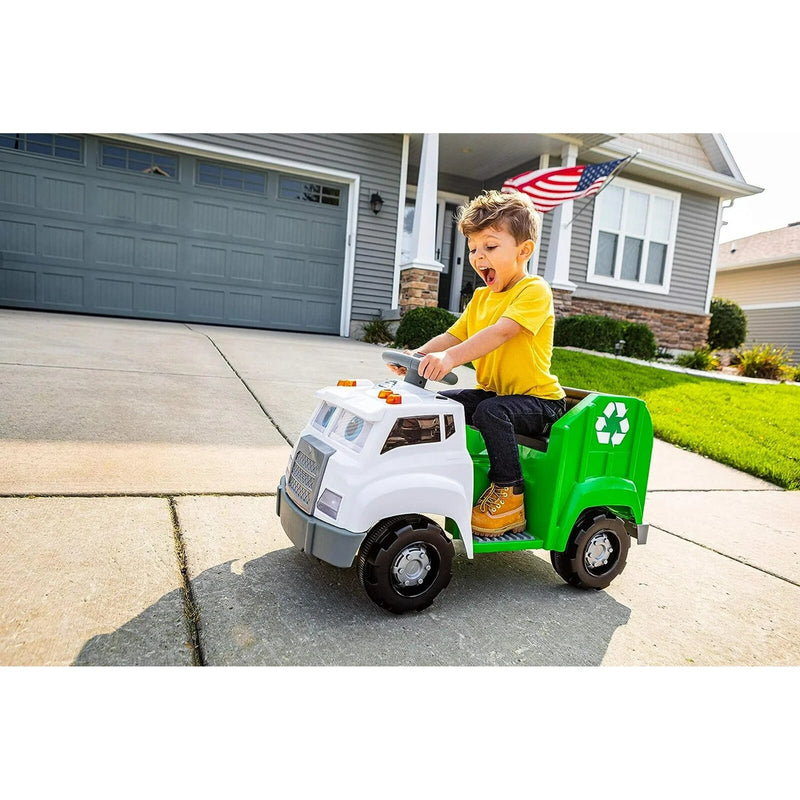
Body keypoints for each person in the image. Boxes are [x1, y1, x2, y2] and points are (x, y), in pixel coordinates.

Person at [393, 189, 566, 537]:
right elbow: (454, 336)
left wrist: (450, 359)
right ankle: (440, 474)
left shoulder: (534, 291)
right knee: (444, 405)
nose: (478, 256)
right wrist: (418, 356)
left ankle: (509, 494)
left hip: (540, 403)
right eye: (473, 249)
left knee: (491, 412)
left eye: (490, 247)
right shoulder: (482, 297)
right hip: (498, 396)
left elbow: (501, 333)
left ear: (524, 250)